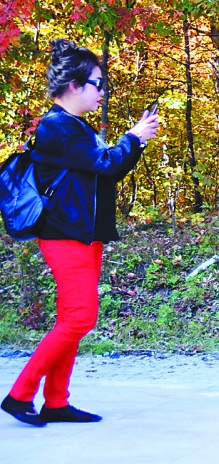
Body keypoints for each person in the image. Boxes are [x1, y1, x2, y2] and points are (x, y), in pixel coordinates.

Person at [3, 39, 159, 427]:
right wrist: (134, 136)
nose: (102, 91)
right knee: (77, 319)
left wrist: (135, 142)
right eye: (97, 83)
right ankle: (20, 395)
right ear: (74, 85)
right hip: (63, 234)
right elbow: (106, 163)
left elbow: (107, 169)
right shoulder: (59, 127)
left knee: (75, 319)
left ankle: (56, 402)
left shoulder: (73, 127)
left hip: (83, 234)